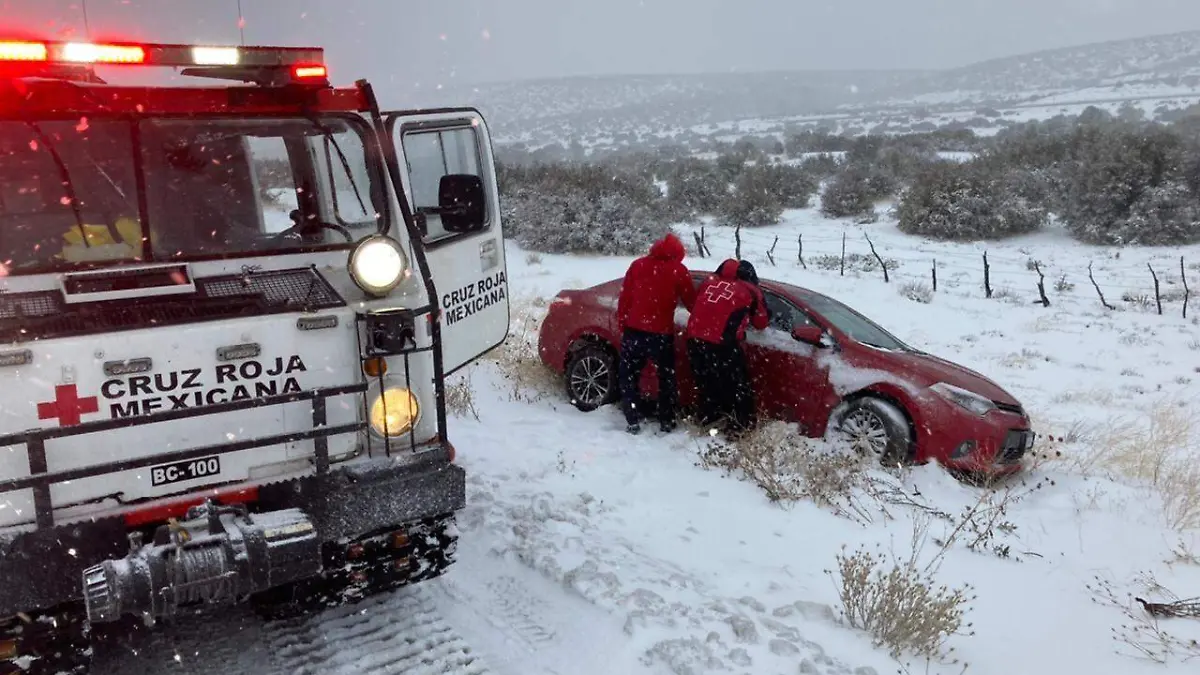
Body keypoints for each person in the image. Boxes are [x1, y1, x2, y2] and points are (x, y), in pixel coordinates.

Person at [615, 232, 697, 434]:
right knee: (666, 378)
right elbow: (691, 302)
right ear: (678, 253)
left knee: (628, 376)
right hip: (661, 334)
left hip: (634, 331)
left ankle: (633, 418)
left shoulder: (638, 265)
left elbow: (626, 296)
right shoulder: (679, 270)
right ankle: (666, 420)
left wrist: (623, 322)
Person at [685, 258, 769, 437]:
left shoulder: (709, 282)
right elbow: (761, 322)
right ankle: (740, 428)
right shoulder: (751, 291)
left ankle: (708, 418)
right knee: (739, 388)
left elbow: (695, 305)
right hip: (722, 344)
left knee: (706, 383)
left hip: (694, 340)